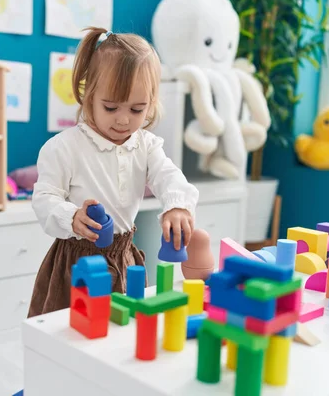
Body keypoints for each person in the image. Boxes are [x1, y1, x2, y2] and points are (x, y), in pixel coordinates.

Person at [28, 27, 200, 318]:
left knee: (124, 331)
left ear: (151, 103)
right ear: (89, 95)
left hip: (124, 257)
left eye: (137, 109)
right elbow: (44, 198)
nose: (123, 120)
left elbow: (167, 175)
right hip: (76, 261)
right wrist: (71, 216)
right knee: (71, 334)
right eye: (110, 107)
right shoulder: (64, 148)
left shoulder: (146, 145)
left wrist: (177, 206)